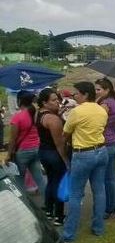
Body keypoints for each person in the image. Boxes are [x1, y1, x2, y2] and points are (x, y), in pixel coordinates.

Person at [62, 82, 109, 243]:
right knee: (99, 191)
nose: (75, 96)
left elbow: (65, 133)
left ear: (86, 95)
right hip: (101, 151)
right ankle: (98, 228)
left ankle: (69, 234)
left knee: (76, 194)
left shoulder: (77, 111)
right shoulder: (102, 110)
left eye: (77, 93)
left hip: (83, 153)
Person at [36, 88, 68, 226]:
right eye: (54, 100)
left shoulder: (39, 114)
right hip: (54, 153)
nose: (58, 103)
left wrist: (59, 114)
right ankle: (59, 216)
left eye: (58, 99)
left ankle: (49, 210)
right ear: (44, 102)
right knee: (59, 184)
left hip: (43, 151)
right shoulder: (53, 119)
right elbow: (59, 143)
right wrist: (66, 161)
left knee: (50, 181)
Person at [95, 78, 115, 219]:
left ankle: (109, 208)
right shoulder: (114, 101)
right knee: (113, 177)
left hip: (107, 143)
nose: (96, 92)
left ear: (107, 90)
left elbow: (96, 121)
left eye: (99, 89)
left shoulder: (105, 104)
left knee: (108, 179)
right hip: (114, 141)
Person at [7, 90, 45, 193]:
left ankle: (24, 206)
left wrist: (8, 155)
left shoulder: (17, 117)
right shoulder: (36, 114)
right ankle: (49, 206)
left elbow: (12, 139)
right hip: (36, 148)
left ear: (19, 101)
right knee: (39, 178)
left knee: (19, 179)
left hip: (23, 151)